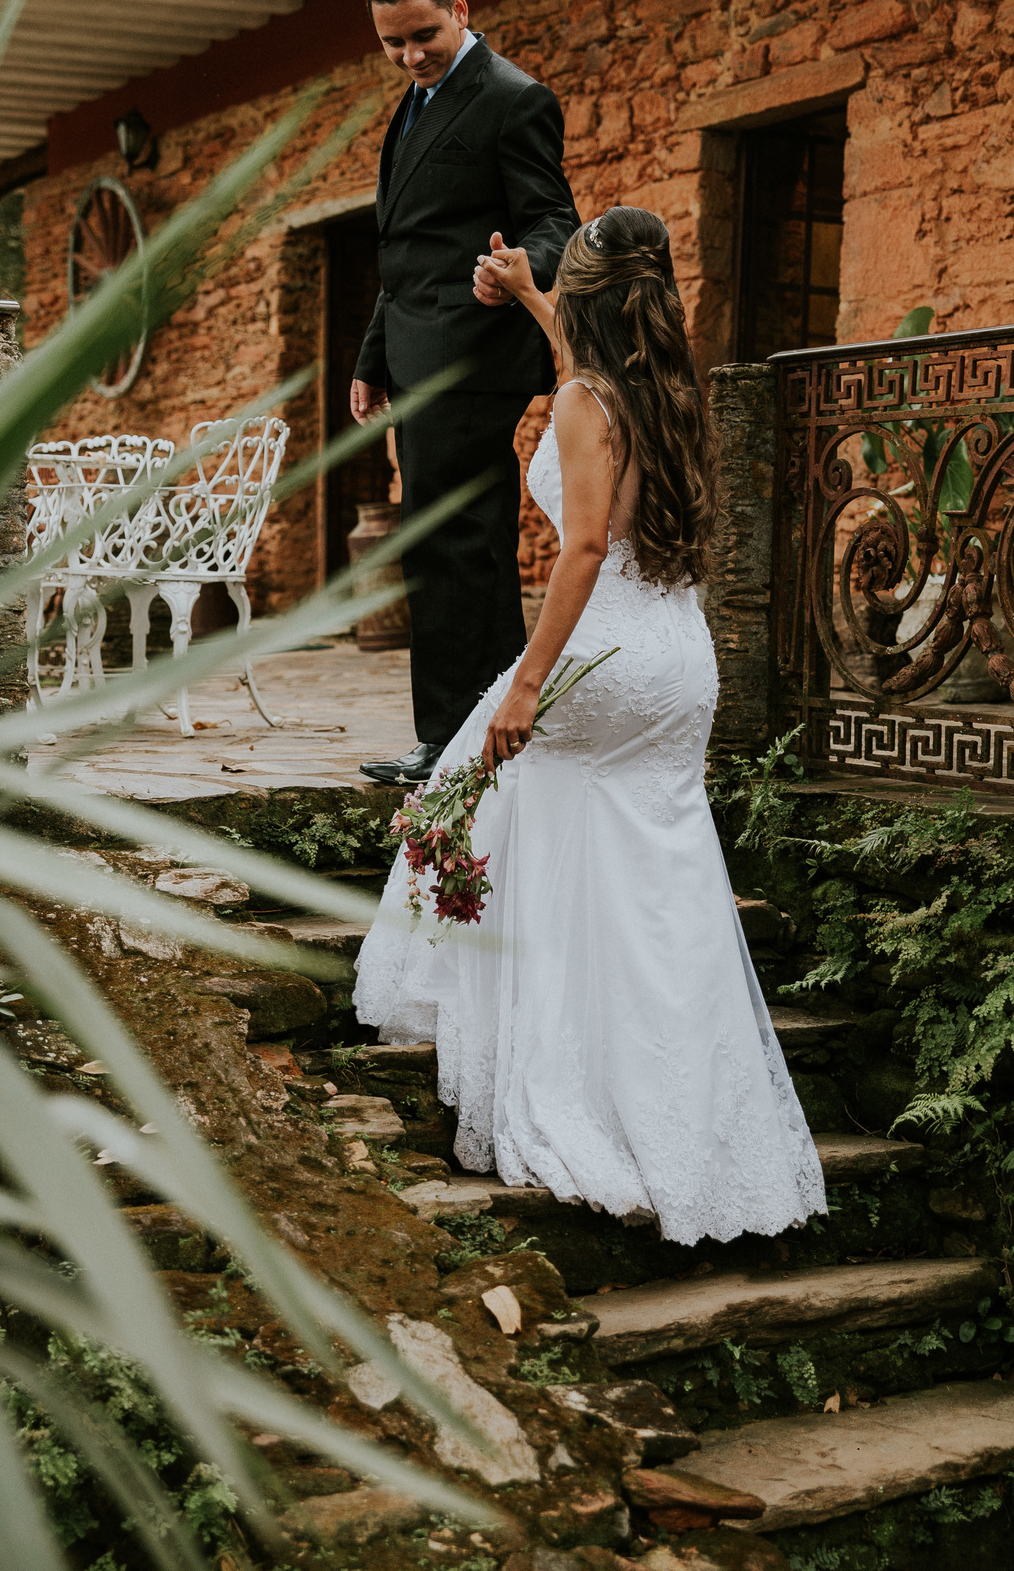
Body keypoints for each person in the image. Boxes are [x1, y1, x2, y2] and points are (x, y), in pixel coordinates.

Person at [354, 207, 826, 1247]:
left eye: (563, 286)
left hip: (601, 653)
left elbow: (579, 551)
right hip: (678, 661)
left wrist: (525, 683)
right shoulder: (666, 389)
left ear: (589, 294)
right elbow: (587, 366)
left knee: (497, 819)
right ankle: (687, 1117)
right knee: (655, 879)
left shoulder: (580, 401)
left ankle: (570, 1086)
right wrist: (529, 297)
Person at [352, 0, 579, 788]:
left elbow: (557, 221)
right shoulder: (413, 105)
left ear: (461, 9)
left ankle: (455, 737)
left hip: (476, 355)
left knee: (451, 541)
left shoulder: (513, 100)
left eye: (423, 36)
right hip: (415, 355)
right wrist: (373, 357)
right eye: (392, 44)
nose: (411, 57)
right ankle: (483, 729)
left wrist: (513, 267)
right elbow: (404, 249)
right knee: (456, 539)